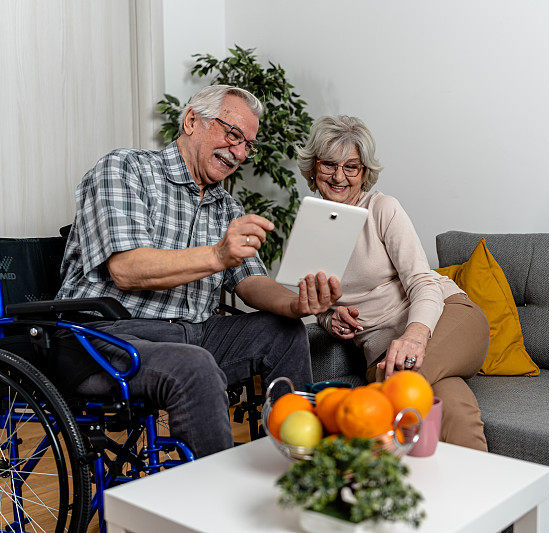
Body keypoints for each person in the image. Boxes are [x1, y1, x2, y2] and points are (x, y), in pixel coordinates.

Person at [56, 85, 341, 458]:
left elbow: (251, 281)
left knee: (284, 333)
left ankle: (294, 466)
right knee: (194, 364)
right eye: (233, 134)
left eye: (247, 145)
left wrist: (298, 305)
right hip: (102, 336)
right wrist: (218, 255)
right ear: (192, 120)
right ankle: (213, 505)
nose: (239, 153)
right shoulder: (125, 168)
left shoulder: (227, 206)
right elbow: (127, 269)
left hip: (193, 334)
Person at [297, 115, 490, 451]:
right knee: (453, 411)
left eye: (351, 167)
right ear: (313, 168)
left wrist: (415, 336)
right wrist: (332, 320)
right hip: (382, 349)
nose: (339, 176)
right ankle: (478, 500)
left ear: (364, 173)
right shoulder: (308, 232)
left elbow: (424, 282)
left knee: (399, 385)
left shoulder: (382, 209)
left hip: (448, 318)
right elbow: (320, 309)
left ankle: (357, 473)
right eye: (329, 164)